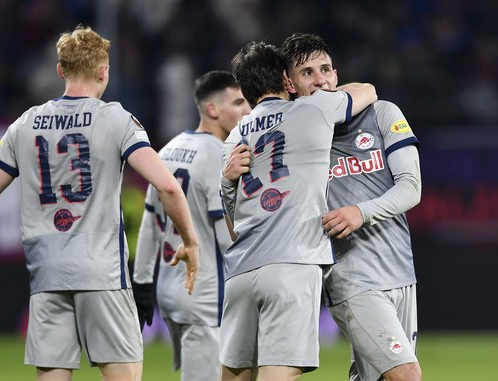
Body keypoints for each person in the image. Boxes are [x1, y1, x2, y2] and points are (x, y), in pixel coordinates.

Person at [0, 25, 200, 381]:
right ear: (104, 71)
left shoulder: (24, 125)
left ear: (60, 70)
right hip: (102, 272)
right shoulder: (116, 119)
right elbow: (167, 186)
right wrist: (191, 242)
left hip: (48, 275)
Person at [218, 41, 377, 381]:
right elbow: (368, 91)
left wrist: (227, 181)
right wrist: (321, 91)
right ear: (286, 80)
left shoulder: (233, 138)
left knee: (234, 374)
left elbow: (229, 221)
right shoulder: (313, 109)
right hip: (292, 263)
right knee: (279, 372)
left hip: (240, 271)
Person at [279, 33, 423, 381]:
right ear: (289, 83)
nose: (321, 79)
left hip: (401, 271)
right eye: (308, 73)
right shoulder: (293, 133)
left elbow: (412, 187)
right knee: (405, 374)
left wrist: (362, 211)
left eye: (326, 69)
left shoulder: (382, 113)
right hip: (350, 277)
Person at [132, 70, 251, 381]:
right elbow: (224, 234)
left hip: (171, 290)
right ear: (212, 109)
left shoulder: (167, 150)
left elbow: (150, 220)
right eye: (238, 103)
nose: (248, 110)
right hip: (207, 292)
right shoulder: (219, 155)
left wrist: (143, 281)